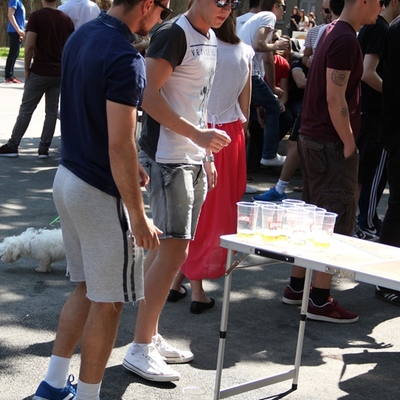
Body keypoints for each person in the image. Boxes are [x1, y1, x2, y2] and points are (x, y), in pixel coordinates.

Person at [31, 0, 163, 399]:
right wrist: (138, 216)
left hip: (67, 177)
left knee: (89, 289)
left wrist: (126, 171)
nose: (161, 19)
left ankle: (53, 385)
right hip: (97, 191)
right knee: (110, 302)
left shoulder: (81, 35)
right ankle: (87, 395)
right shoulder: (125, 57)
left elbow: (87, 117)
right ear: (146, 5)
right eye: (163, 10)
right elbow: (120, 144)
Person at [122, 0, 232, 383]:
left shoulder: (211, 35)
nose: (227, 7)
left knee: (171, 252)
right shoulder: (173, 33)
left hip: (191, 156)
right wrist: (196, 138)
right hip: (168, 157)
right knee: (174, 251)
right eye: (221, 0)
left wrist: (206, 153)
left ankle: (148, 335)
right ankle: (139, 347)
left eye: (233, 2)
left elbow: (197, 101)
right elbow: (146, 95)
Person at [282, 0, 382, 323]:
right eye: (379, 2)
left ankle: (298, 286)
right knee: (332, 220)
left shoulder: (331, 32)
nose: (380, 8)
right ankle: (320, 298)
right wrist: (350, 141)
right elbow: (334, 95)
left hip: (315, 139)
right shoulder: (344, 38)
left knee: (313, 216)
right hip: (329, 143)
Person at [168, 12, 253, 313]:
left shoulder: (203, 45)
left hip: (199, 130)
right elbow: (245, 107)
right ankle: (196, 289)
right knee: (217, 211)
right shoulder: (245, 53)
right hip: (230, 135)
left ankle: (180, 280)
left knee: (199, 209)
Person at [254, 0, 345, 202]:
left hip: (331, 97)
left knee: (330, 144)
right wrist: (308, 62)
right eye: (325, 10)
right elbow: (303, 58)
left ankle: (313, 191)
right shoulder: (317, 32)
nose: (328, 14)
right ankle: (283, 187)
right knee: (298, 139)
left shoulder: (347, 33)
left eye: (330, 9)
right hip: (314, 98)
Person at [0, 0, 74, 159]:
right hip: (58, 72)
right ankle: (44, 148)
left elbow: (30, 45)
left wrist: (27, 68)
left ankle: (13, 144)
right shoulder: (66, 19)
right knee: (52, 111)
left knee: (26, 109)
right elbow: (70, 47)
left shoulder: (37, 17)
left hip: (40, 70)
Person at [354, 0, 400, 242]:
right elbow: (368, 72)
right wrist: (390, 95)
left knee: (367, 174)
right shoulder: (381, 28)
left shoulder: (379, 27)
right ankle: (366, 222)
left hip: (370, 112)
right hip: (377, 114)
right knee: (372, 176)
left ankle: (364, 221)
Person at [237, 0, 289, 167]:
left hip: (241, 72)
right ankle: (269, 154)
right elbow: (259, 45)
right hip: (249, 73)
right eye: (283, 7)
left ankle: (241, 177)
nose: (284, 12)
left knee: (245, 125)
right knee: (274, 106)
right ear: (275, 6)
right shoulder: (268, 16)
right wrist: (277, 45)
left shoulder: (252, 18)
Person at [375, 14, 400, 305]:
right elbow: (394, 85)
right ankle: (384, 280)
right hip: (397, 130)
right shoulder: (396, 30)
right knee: (397, 206)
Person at [302, 0, 332, 68]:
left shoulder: (344, 31)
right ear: (321, 10)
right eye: (327, 11)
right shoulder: (313, 31)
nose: (331, 14)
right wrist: (308, 62)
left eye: (334, 11)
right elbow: (305, 56)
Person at [5, 0, 25, 83]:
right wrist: (18, 30)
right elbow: (10, 15)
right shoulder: (14, 0)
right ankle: (8, 75)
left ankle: (10, 74)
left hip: (17, 31)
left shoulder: (19, 1)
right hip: (14, 31)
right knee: (13, 53)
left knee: (15, 53)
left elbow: (20, 19)